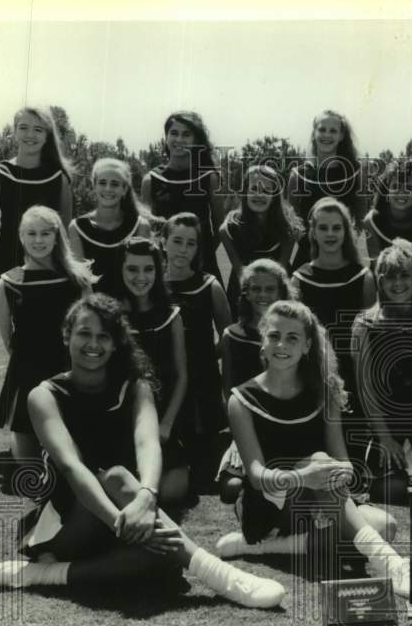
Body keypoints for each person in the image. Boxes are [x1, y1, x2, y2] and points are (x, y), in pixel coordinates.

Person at [0, 294, 285, 609]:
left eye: (103, 336)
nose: (92, 343)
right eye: (84, 333)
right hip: (69, 520)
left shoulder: (136, 386)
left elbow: (147, 442)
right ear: (67, 336)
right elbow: (73, 468)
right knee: (117, 478)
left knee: (162, 561)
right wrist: (120, 523)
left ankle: (41, 575)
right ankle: (221, 575)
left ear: (115, 343)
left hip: (129, 507)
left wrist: (148, 496)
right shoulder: (44, 395)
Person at [215, 301, 412, 597]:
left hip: (321, 493)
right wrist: (305, 477)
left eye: (292, 338)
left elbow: (344, 461)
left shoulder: (324, 391)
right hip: (267, 503)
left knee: (387, 526)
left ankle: (267, 547)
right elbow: (256, 475)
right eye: (274, 335)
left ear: (307, 346)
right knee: (318, 460)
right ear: (262, 339)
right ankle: (389, 563)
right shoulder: (241, 400)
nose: (282, 345)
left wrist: (339, 472)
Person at [351, 240, 412, 503]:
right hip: (386, 422)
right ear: (380, 282)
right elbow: (365, 385)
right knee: (384, 489)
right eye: (390, 277)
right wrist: (384, 437)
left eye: (405, 274)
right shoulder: (364, 324)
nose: (398, 283)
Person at [0, 206, 95, 462]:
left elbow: (88, 333)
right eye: (31, 233)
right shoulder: (8, 282)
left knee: (76, 460)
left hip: (70, 372)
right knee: (28, 466)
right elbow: (9, 340)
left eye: (45, 233)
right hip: (27, 375)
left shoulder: (78, 280)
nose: (38, 240)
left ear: (57, 236)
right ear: (21, 236)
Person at [110, 237, 190, 502]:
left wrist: (166, 424)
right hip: (121, 417)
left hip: (162, 421)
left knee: (171, 492)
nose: (141, 277)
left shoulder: (171, 315)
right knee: (121, 487)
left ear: (159, 270)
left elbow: (181, 376)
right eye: (132, 269)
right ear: (120, 270)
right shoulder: (110, 315)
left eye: (148, 269)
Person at [0, 106, 73, 306]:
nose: (30, 135)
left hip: (49, 269)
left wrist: (54, 265)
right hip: (8, 269)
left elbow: (64, 232)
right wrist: (2, 266)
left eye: (38, 129)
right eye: (24, 128)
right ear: (14, 132)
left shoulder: (59, 177)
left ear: (47, 136)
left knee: (49, 333)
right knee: (14, 336)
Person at [217, 259, 295, 503]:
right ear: (246, 292)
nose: (263, 295)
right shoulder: (232, 335)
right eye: (255, 288)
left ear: (282, 292)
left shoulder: (296, 333)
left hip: (287, 422)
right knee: (231, 490)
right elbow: (229, 391)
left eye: (270, 289)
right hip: (247, 425)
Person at [290, 198, 376, 420]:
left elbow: (368, 337)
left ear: (346, 232)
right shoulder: (299, 279)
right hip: (312, 373)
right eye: (323, 227)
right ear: (313, 232)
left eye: (337, 228)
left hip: (353, 373)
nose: (330, 234)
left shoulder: (363, 278)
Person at [162, 212, 231, 482]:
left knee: (204, 462)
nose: (182, 249)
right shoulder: (151, 284)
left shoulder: (209, 285)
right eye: (177, 240)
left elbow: (229, 338)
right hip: (164, 381)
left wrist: (204, 357)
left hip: (202, 385)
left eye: (190, 243)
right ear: (163, 242)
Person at [141, 111, 226, 284]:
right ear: (166, 137)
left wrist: (199, 253)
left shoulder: (209, 177)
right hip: (165, 268)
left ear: (196, 140)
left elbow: (219, 228)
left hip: (203, 265)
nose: (179, 139)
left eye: (186, 134)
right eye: (174, 133)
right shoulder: (151, 180)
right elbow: (147, 230)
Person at [287, 110, 367, 267]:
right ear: (314, 133)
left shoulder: (356, 172)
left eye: (333, 131)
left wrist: (341, 245)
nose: (327, 135)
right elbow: (293, 221)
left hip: (345, 259)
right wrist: (313, 245)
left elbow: (360, 218)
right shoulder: (298, 175)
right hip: (308, 258)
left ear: (342, 136)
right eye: (322, 129)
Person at [219, 164, 304, 310]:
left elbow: (280, 273)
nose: (259, 195)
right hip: (242, 291)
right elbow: (241, 275)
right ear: (245, 192)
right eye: (253, 189)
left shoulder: (288, 229)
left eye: (266, 190)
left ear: (275, 195)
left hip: (277, 290)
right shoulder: (229, 229)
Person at [69, 158, 154, 298]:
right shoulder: (77, 227)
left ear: (125, 189)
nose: (108, 189)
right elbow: (82, 283)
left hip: (130, 305)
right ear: (94, 185)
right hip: (92, 307)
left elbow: (142, 278)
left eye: (115, 184)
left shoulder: (140, 226)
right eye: (102, 183)